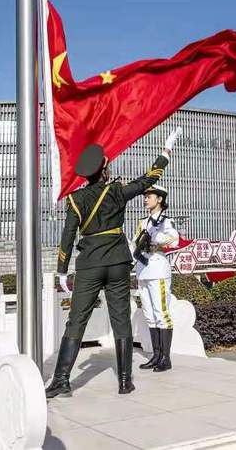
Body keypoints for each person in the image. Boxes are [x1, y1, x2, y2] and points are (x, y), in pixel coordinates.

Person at [45, 127, 182, 398]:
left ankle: (61, 380)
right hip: (118, 262)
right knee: (120, 319)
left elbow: (67, 237)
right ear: (105, 170)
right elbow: (148, 178)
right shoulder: (116, 191)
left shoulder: (76, 199)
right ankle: (124, 381)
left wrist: (62, 270)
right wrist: (166, 151)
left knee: (76, 320)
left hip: (90, 264)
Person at [133, 184, 179, 372]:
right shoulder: (142, 222)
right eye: (145, 197)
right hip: (142, 269)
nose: (146, 199)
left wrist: (155, 237)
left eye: (149, 196)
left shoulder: (165, 221)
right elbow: (135, 243)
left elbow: (174, 239)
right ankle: (156, 355)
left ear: (159, 199)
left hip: (158, 268)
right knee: (149, 314)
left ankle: (165, 358)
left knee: (161, 313)